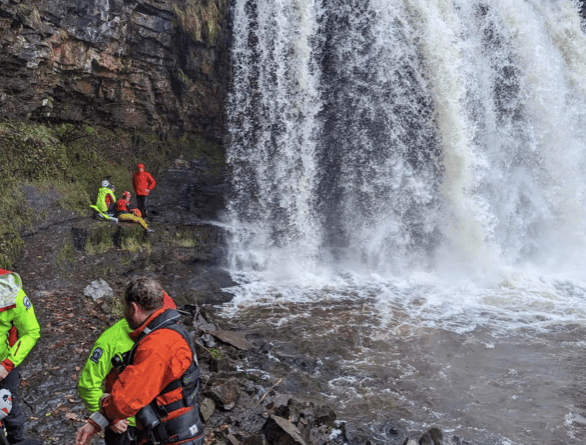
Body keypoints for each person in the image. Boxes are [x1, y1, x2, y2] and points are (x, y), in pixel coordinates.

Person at [75, 277, 202, 445]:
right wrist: (101, 421)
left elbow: (123, 402)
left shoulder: (155, 346)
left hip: (169, 433)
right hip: (168, 427)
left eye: (125, 307)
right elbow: (89, 385)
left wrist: (98, 418)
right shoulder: (172, 329)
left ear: (133, 308)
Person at [0, 269, 41, 445]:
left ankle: (16, 440)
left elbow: (31, 331)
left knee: (9, 403)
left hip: (5, 362)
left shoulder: (10, 293)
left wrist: (8, 364)